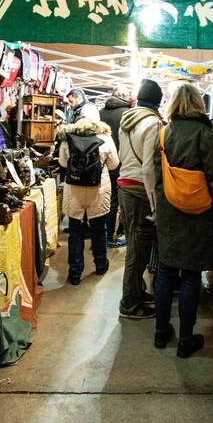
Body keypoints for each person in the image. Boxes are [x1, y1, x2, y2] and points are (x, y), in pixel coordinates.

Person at [153, 82, 213, 358]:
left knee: (165, 270)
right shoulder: (205, 134)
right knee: (191, 275)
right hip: (198, 214)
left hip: (168, 213)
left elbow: (158, 179)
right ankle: (186, 340)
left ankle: (161, 332)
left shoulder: (163, 134)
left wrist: (160, 209)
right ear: (198, 103)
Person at [117, 78, 164, 319]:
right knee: (138, 249)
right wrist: (155, 203)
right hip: (139, 191)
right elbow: (148, 168)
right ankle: (130, 304)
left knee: (135, 246)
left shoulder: (127, 120)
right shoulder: (153, 123)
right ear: (158, 101)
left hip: (124, 187)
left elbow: (120, 156)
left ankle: (136, 291)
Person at [58, 118, 119, 285]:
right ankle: (101, 265)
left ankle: (75, 274)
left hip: (74, 188)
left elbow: (63, 163)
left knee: (75, 232)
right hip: (98, 189)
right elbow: (114, 165)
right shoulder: (105, 138)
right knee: (99, 229)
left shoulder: (68, 138)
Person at [100, 87, 132, 248]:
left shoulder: (101, 112)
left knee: (103, 198)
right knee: (115, 201)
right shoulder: (127, 114)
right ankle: (110, 237)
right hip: (120, 162)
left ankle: (100, 235)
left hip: (99, 162)